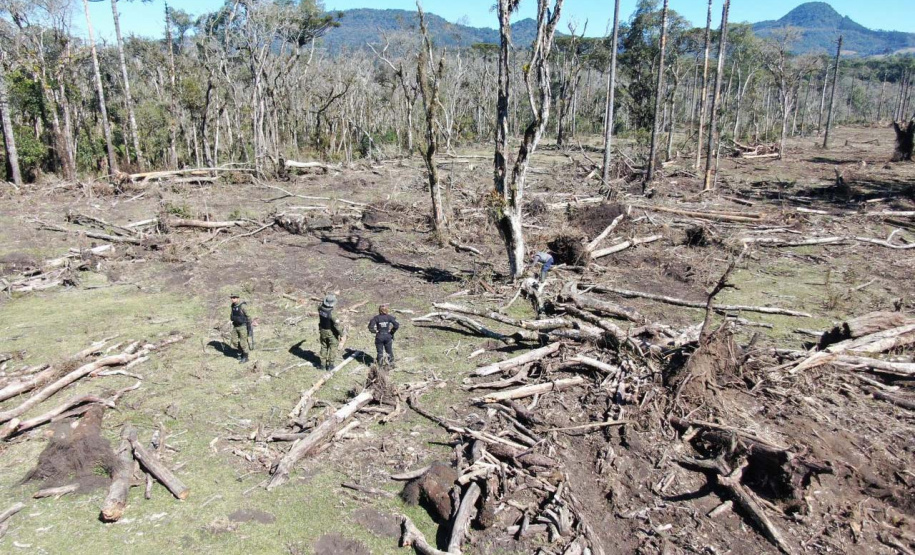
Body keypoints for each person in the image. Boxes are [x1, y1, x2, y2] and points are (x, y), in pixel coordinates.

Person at [318, 294, 344, 370]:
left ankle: (322, 365)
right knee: (333, 347)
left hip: (322, 330)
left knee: (324, 346)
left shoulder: (320, 308)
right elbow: (337, 325)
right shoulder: (332, 313)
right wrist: (341, 334)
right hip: (331, 332)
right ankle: (330, 365)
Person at [229, 294, 251, 363]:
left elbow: (248, 316)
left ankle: (245, 357)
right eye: (232, 298)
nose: (232, 299)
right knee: (234, 341)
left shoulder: (242, 306)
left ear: (238, 298)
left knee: (243, 343)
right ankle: (240, 351)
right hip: (235, 326)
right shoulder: (232, 306)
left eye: (234, 298)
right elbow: (232, 315)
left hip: (242, 326)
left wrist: (249, 326)